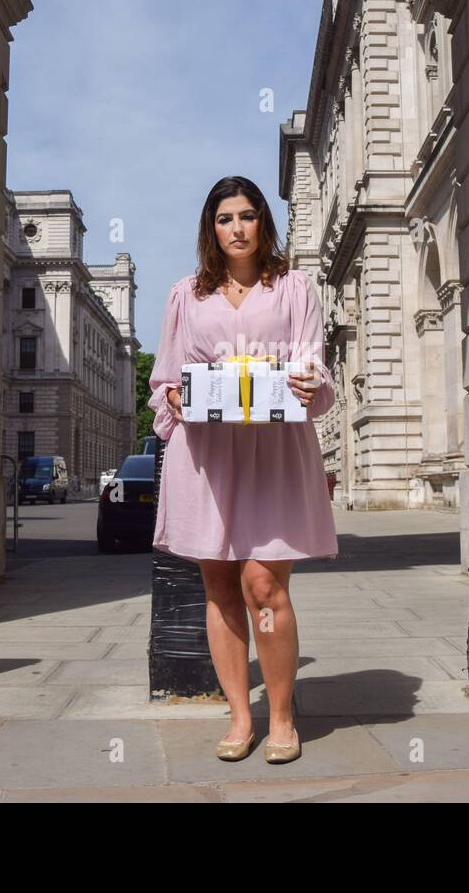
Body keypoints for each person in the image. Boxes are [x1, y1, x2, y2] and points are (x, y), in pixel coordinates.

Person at [148, 175, 338, 765]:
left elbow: (316, 373)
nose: (237, 228)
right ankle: (238, 715)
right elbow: (164, 379)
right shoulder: (186, 294)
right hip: (207, 456)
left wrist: (309, 385)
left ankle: (282, 718)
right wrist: (177, 399)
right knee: (220, 586)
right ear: (212, 227)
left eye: (247, 216)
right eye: (225, 218)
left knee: (263, 584)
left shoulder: (294, 288)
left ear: (264, 223)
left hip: (274, 452)